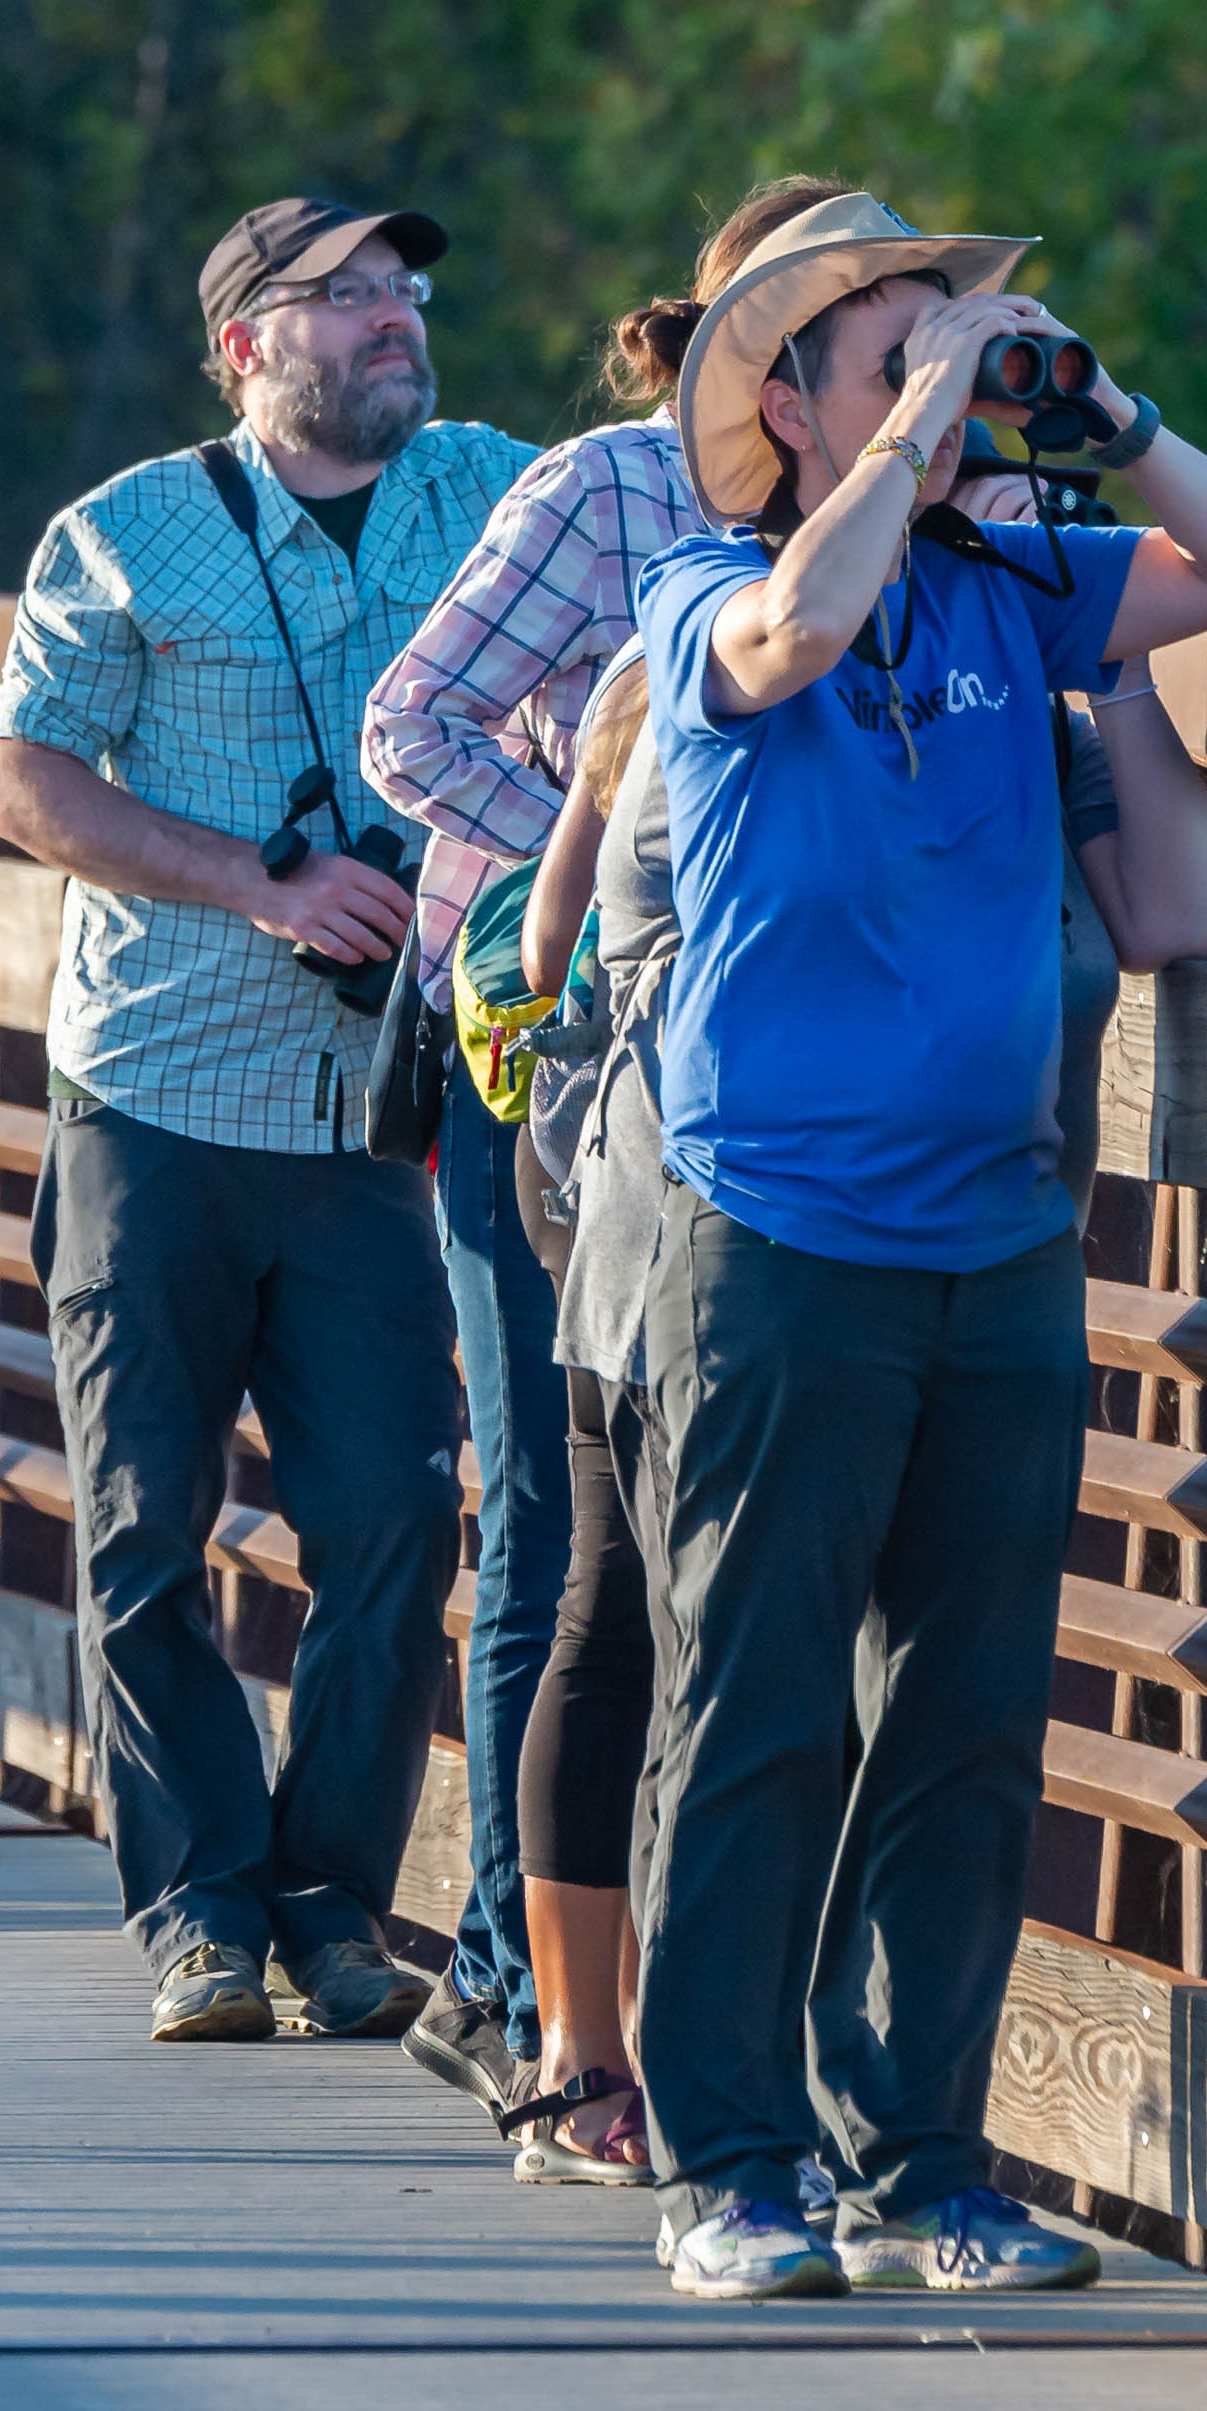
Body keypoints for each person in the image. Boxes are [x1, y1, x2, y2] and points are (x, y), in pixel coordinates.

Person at [628, 191, 1207, 2297]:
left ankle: (918, 2163)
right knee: (756, 1711)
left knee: (967, 1715)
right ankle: (725, 2168)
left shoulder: (1022, 586)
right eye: (892, 343)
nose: (949, 361)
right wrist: (921, 444)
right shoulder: (706, 590)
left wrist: (1107, 411)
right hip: (785, 1235)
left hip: (1000, 1234)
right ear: (792, 407)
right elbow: (796, 642)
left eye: (957, 331)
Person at [0, 197, 536, 2043]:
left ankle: (335, 1904)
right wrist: (254, 884)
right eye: (348, 297)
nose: (397, 319)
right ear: (246, 346)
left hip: (389, 1107)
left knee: (395, 1522)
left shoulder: (496, 493)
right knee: (148, 1522)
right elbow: (20, 778)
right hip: (156, 1087)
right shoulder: (124, 535)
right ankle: (197, 1913)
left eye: (408, 291)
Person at [365, 176, 859, 2121]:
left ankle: (690, 2014)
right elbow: (414, 725)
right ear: (745, 334)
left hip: (784, 1106)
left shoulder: (900, 525)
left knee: (712, 1564)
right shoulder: (609, 491)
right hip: (567, 1069)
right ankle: (517, 1986)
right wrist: (614, 839)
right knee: (563, 1539)